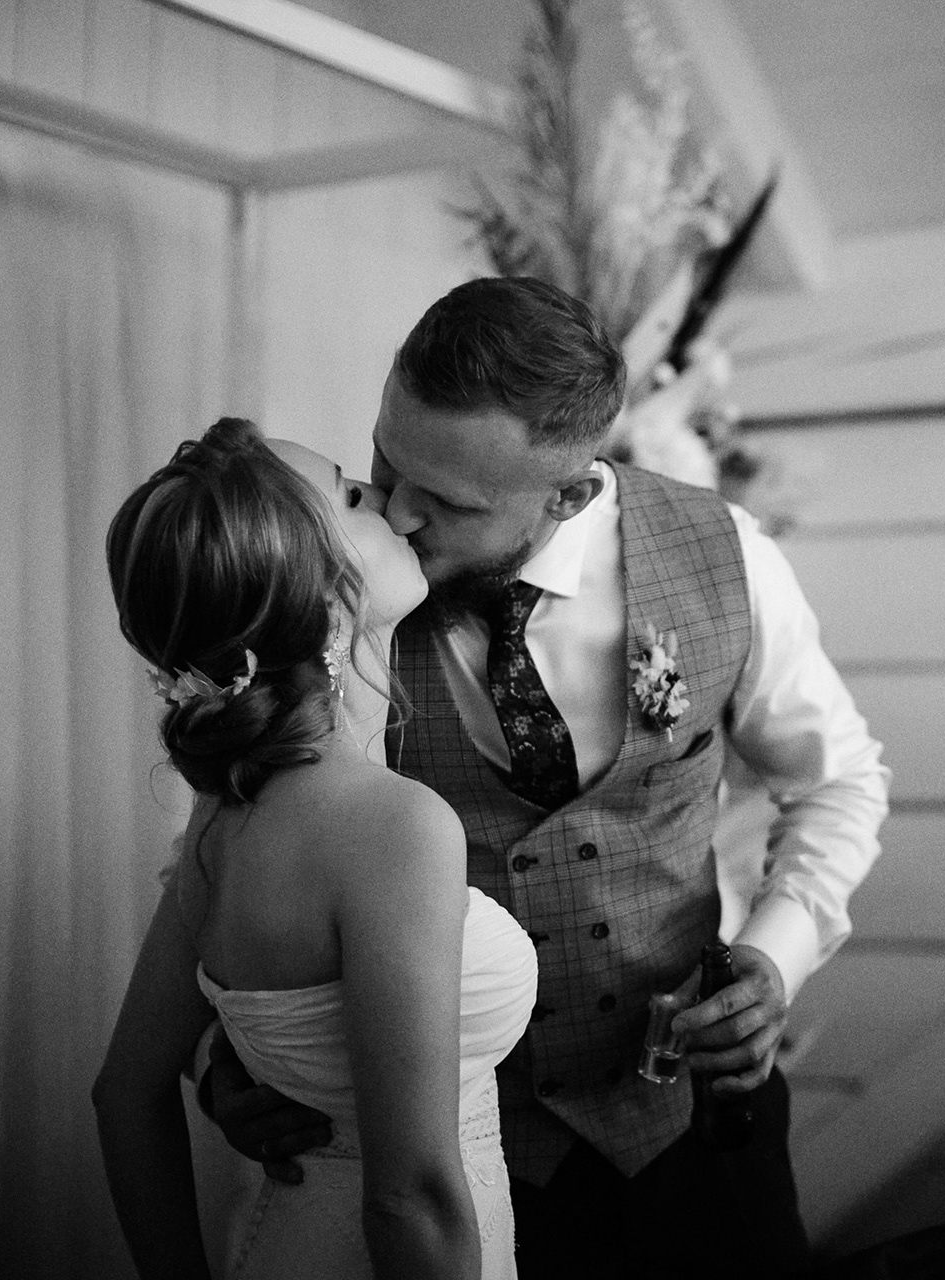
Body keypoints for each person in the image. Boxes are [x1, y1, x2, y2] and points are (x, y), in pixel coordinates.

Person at [207, 277, 890, 1278]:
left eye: (449, 501)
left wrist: (774, 958)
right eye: (388, 461)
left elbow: (838, 780)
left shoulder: (725, 556)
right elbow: (244, 836)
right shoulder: (337, 578)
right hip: (454, 1161)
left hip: (692, 1140)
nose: (398, 512)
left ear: (572, 492)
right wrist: (240, 1045)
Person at [92, 419, 538, 1278]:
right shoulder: (396, 826)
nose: (394, 506)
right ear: (331, 603)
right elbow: (408, 1201)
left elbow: (123, 1094)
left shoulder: (220, 823)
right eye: (354, 495)